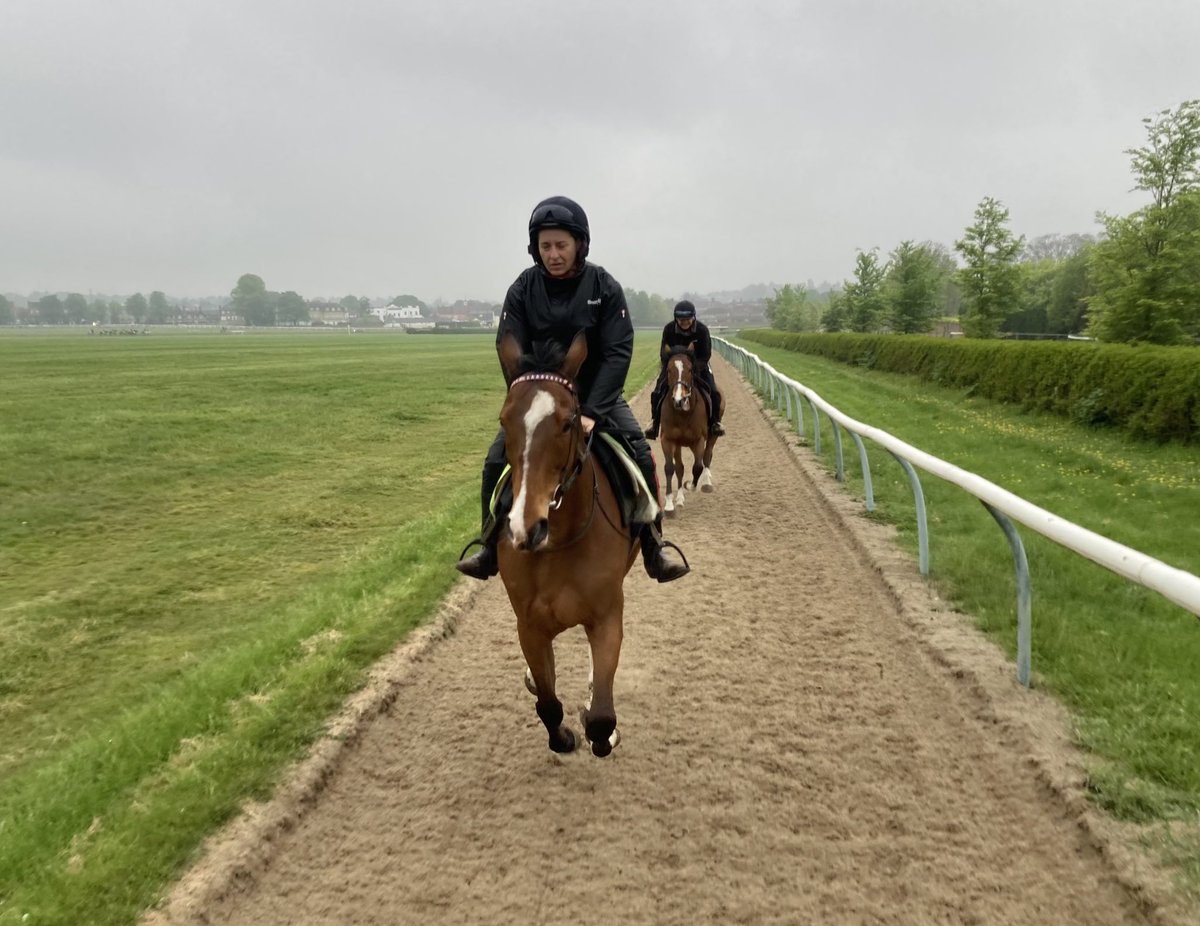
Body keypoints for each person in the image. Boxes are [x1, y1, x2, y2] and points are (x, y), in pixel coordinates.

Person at [455, 195, 690, 584]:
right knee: (495, 460)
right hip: (542, 403)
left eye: (561, 245)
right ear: (536, 248)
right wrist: (527, 402)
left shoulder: (604, 286)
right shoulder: (522, 289)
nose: (554, 254)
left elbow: (617, 350)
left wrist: (592, 410)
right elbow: (509, 347)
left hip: (596, 398)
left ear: (579, 244)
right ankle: (486, 546)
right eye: (545, 246)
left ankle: (653, 545)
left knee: (640, 454)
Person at [643, 300, 725, 440]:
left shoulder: (702, 330)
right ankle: (655, 423)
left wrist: (693, 370)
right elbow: (663, 352)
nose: (685, 322)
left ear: (693, 317)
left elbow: (706, 354)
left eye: (687, 319)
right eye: (681, 320)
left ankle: (715, 423)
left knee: (713, 390)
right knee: (657, 390)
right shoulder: (669, 329)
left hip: (699, 365)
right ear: (676, 319)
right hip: (674, 366)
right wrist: (670, 366)